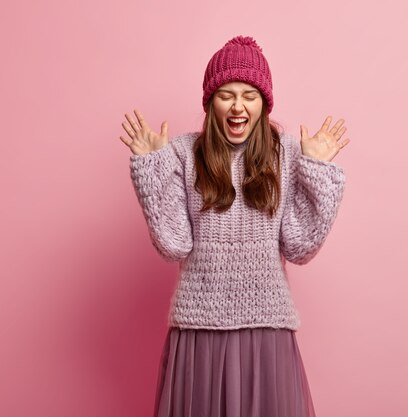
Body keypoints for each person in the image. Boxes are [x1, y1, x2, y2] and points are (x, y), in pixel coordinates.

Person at [118, 35, 350, 417]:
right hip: (199, 330)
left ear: (263, 103)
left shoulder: (289, 153)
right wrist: (152, 168)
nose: (238, 105)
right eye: (226, 94)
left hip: (266, 330)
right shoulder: (182, 153)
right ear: (210, 102)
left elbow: (300, 247)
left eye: (249, 94)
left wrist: (317, 172)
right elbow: (173, 244)